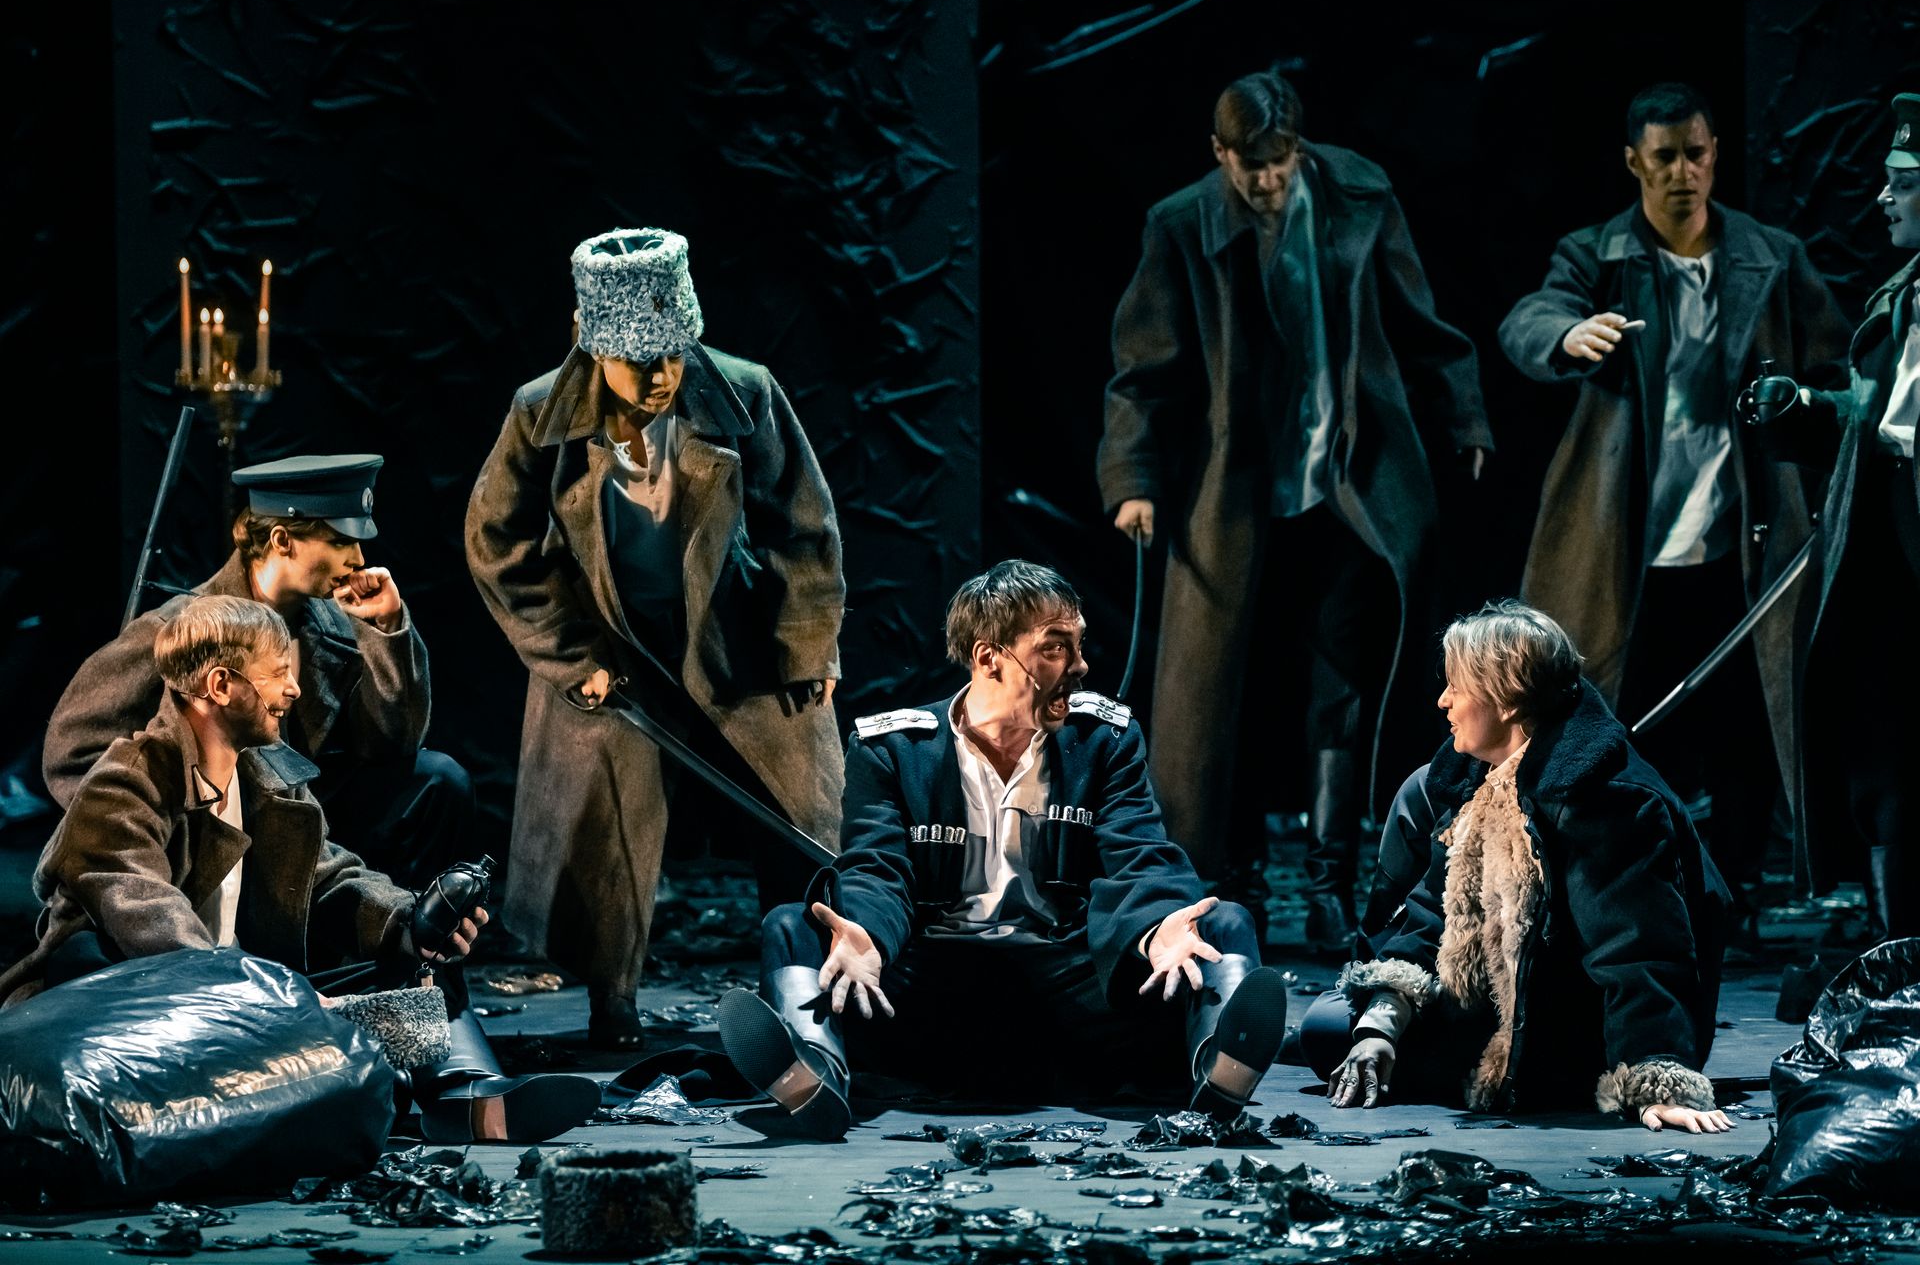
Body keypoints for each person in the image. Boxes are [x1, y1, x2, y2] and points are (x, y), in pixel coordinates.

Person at [1096, 68, 1491, 953]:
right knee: (1229, 692)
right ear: (1219, 155)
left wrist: (1461, 413)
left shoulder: (1359, 194)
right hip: (1235, 496)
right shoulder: (1182, 223)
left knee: (1343, 681)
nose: (1267, 181)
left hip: (1348, 483)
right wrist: (1134, 478)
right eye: (1250, 167)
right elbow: (1143, 368)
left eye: (1279, 163)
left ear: (1299, 151)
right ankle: (1228, 881)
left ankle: (1330, 881)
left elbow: (1417, 318)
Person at [714, 561, 1290, 1139]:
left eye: (1079, 645)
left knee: (1220, 924)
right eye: (1055, 648)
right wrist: (867, 935)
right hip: (936, 987)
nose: (1080, 665)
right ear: (989, 658)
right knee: (794, 925)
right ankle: (814, 1078)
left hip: (1067, 989)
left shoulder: (1104, 741)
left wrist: (1158, 926)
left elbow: (1138, 850)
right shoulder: (892, 749)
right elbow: (877, 867)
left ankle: (1221, 1074)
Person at [0, 595, 598, 1143]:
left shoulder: (267, 776)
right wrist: (270, 996)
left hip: (240, 997)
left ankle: (466, 1095)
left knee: (407, 970)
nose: (293, 689)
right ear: (220, 685)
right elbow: (148, 916)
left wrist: (409, 922)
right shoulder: (125, 783)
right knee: (297, 1032)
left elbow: (327, 875)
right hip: (132, 1010)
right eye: (278, 674)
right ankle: (379, 1098)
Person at [467, 227, 845, 1050]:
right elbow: (497, 541)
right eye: (639, 361)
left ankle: (805, 987)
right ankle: (613, 1001)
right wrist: (572, 655)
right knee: (607, 822)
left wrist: (805, 646)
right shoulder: (540, 412)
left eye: (673, 353)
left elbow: (803, 525)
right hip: (609, 642)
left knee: (801, 813)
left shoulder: (744, 392)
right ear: (591, 346)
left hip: (731, 631)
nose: (661, 374)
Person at [1498, 83, 1851, 899]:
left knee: (1744, 727)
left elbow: (1832, 367)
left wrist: (1805, 407)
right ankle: (1628, 892)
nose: (1682, 172)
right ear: (1635, 162)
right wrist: (1568, 333)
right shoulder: (1600, 254)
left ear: (1715, 154)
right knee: (1622, 715)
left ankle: (1734, 895)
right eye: (1664, 157)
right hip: (1628, 540)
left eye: (1696, 154)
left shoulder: (1770, 254)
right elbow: (1531, 316)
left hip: (1740, 537)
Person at [1300, 601, 1733, 1131]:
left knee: (1328, 1028)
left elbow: (1637, 948)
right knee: (1340, 1028)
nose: (1442, 701)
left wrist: (1656, 1077)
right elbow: (1432, 913)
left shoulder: (1606, 800)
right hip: (1507, 999)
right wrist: (1381, 1025)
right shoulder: (1474, 777)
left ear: (1504, 698)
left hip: (1572, 1030)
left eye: (1456, 687)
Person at [43, 455, 472, 889]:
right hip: (231, 831)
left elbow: (395, 744)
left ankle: (412, 929)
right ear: (283, 540)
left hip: (310, 819)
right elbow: (72, 752)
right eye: (340, 542)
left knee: (438, 781)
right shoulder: (182, 629)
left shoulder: (335, 622)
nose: (358, 559)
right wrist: (169, 827)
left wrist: (386, 628)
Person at [1741, 92, 1920, 939]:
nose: (1884, 198)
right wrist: (1806, 407)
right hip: (1888, 554)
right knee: (1884, 762)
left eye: (1903, 182)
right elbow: (1883, 423)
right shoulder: (1900, 297)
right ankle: (1900, 965)